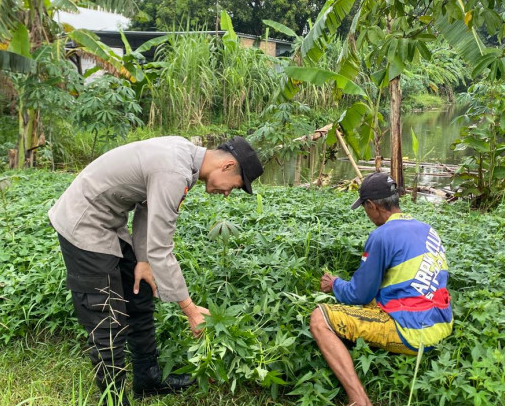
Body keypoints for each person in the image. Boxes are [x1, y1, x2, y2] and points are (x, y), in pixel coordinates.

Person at [48, 136, 263, 405]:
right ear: (227, 165)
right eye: (236, 185)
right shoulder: (174, 171)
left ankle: (147, 379)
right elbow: (161, 249)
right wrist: (190, 310)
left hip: (109, 221)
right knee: (106, 315)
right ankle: (113, 399)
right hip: (84, 222)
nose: (228, 192)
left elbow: (146, 207)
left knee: (140, 293)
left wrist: (142, 260)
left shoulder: (185, 159)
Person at [310, 172, 453, 406]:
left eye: (365, 208)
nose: (366, 214)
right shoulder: (427, 229)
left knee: (319, 318)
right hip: (441, 324)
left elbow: (359, 294)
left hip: (413, 331)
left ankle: (359, 400)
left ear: (372, 205)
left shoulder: (382, 235)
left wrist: (334, 283)